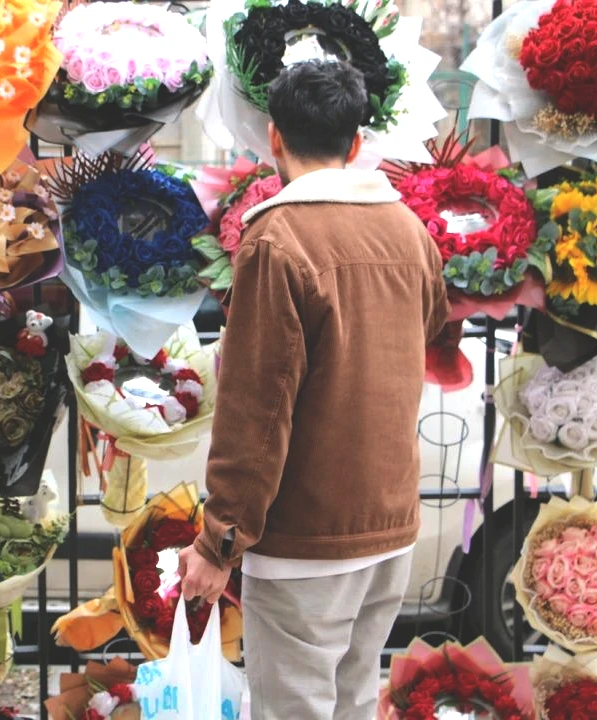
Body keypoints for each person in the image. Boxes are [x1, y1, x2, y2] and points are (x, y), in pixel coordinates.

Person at [178, 61, 451, 720]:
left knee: (293, 708)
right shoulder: (407, 229)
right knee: (355, 700)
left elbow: (255, 411)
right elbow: (433, 323)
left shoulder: (278, 239)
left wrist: (219, 542)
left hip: (307, 537)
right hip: (389, 524)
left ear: (274, 137)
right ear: (356, 144)